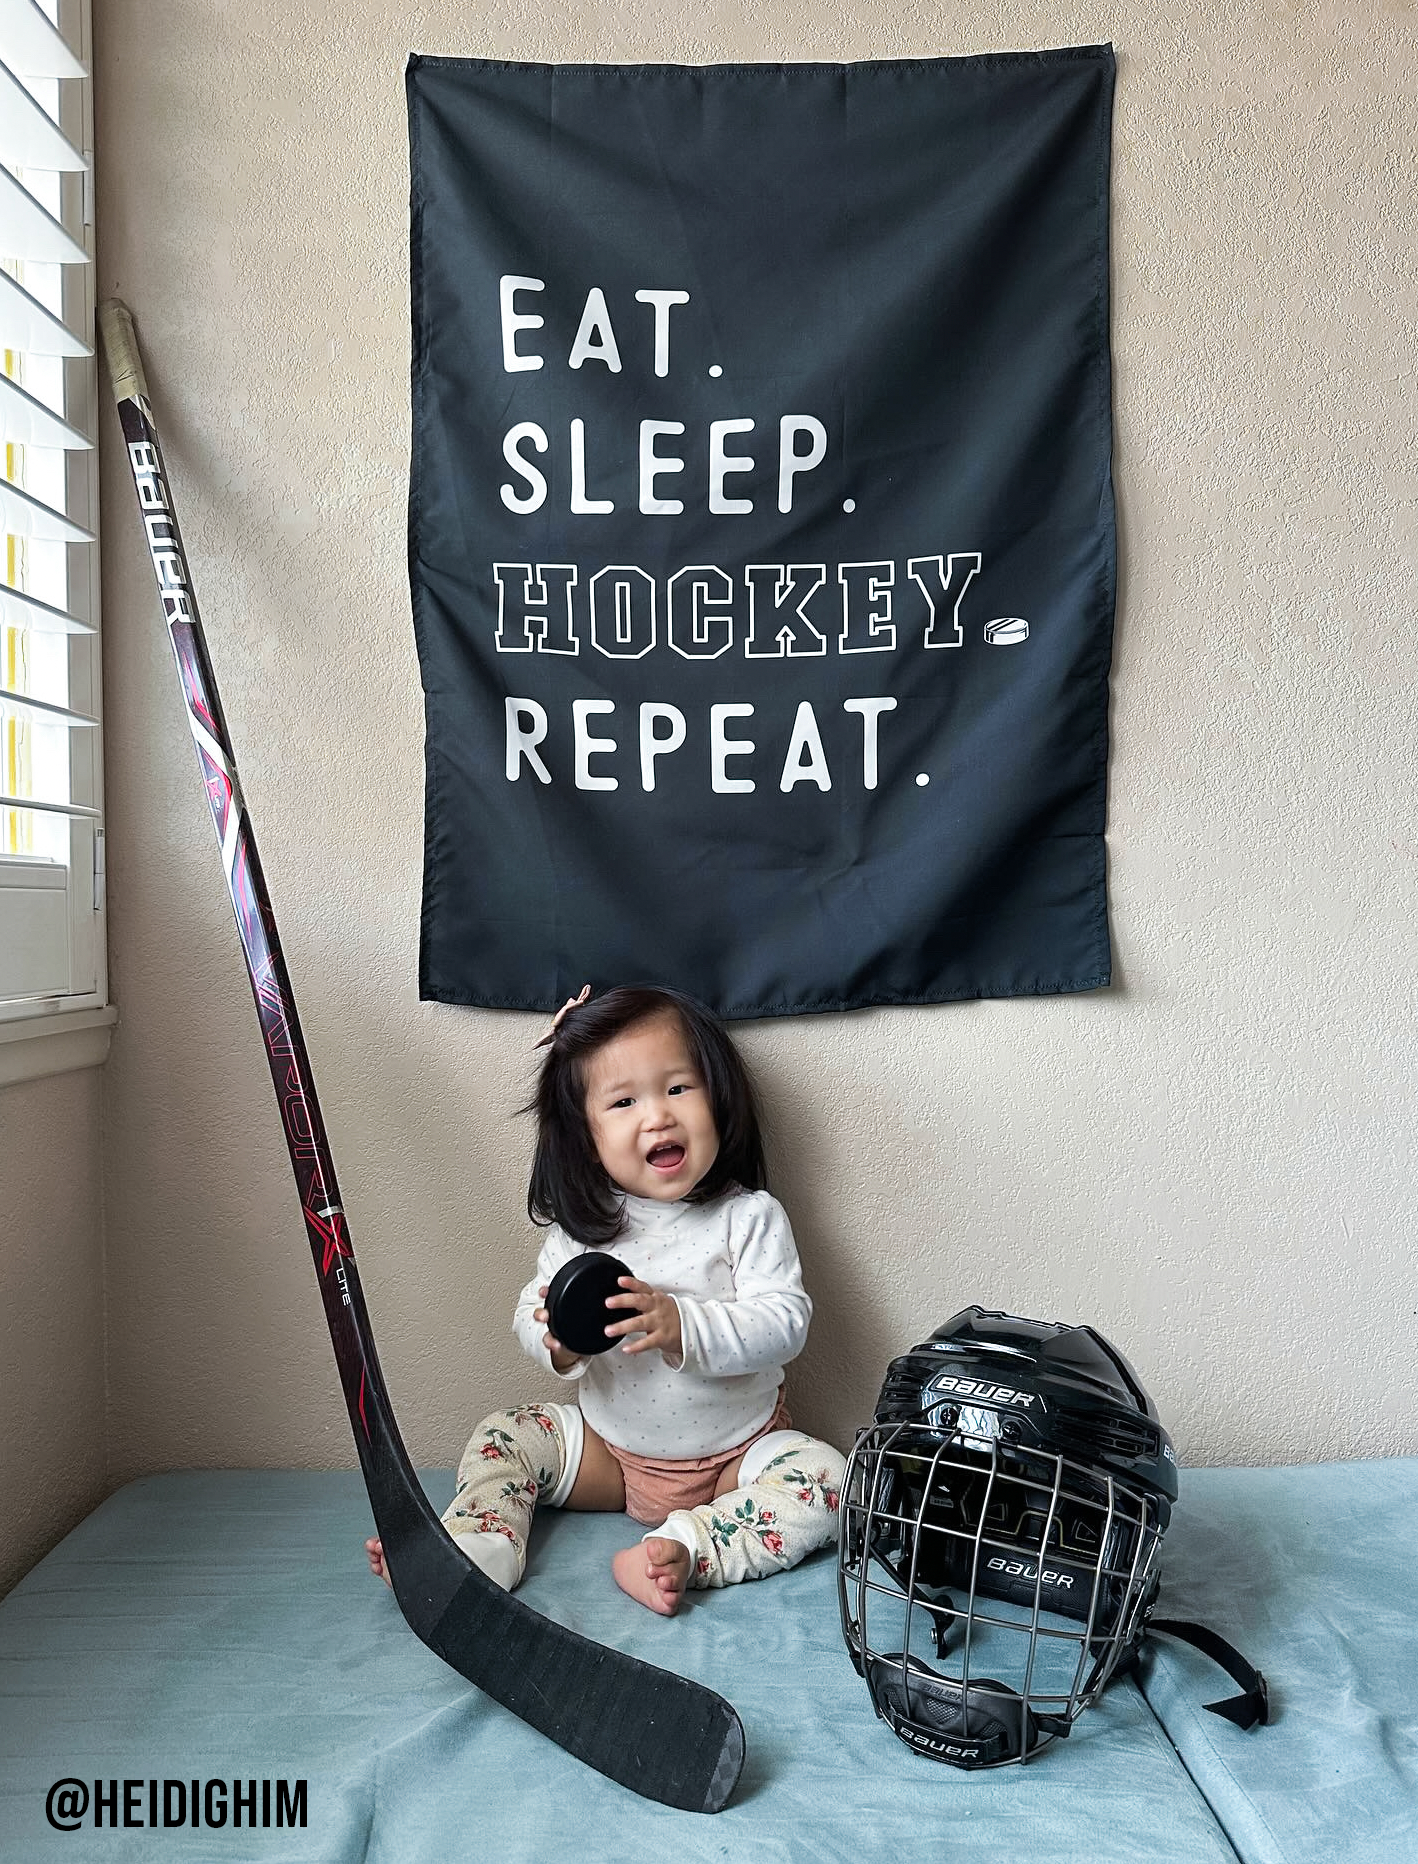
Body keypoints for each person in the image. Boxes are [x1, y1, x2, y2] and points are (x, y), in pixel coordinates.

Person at [367, 983, 843, 1614]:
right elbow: (530, 1311)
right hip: (610, 1455)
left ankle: (688, 1549)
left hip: (737, 1456)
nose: (658, 1116)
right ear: (585, 1137)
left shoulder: (747, 1218)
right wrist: (557, 1341)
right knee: (505, 1434)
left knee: (832, 1478)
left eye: (678, 1088)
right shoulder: (582, 1232)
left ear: (720, 1099)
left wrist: (680, 1324)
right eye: (623, 1101)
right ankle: (479, 1545)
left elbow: (786, 1323)